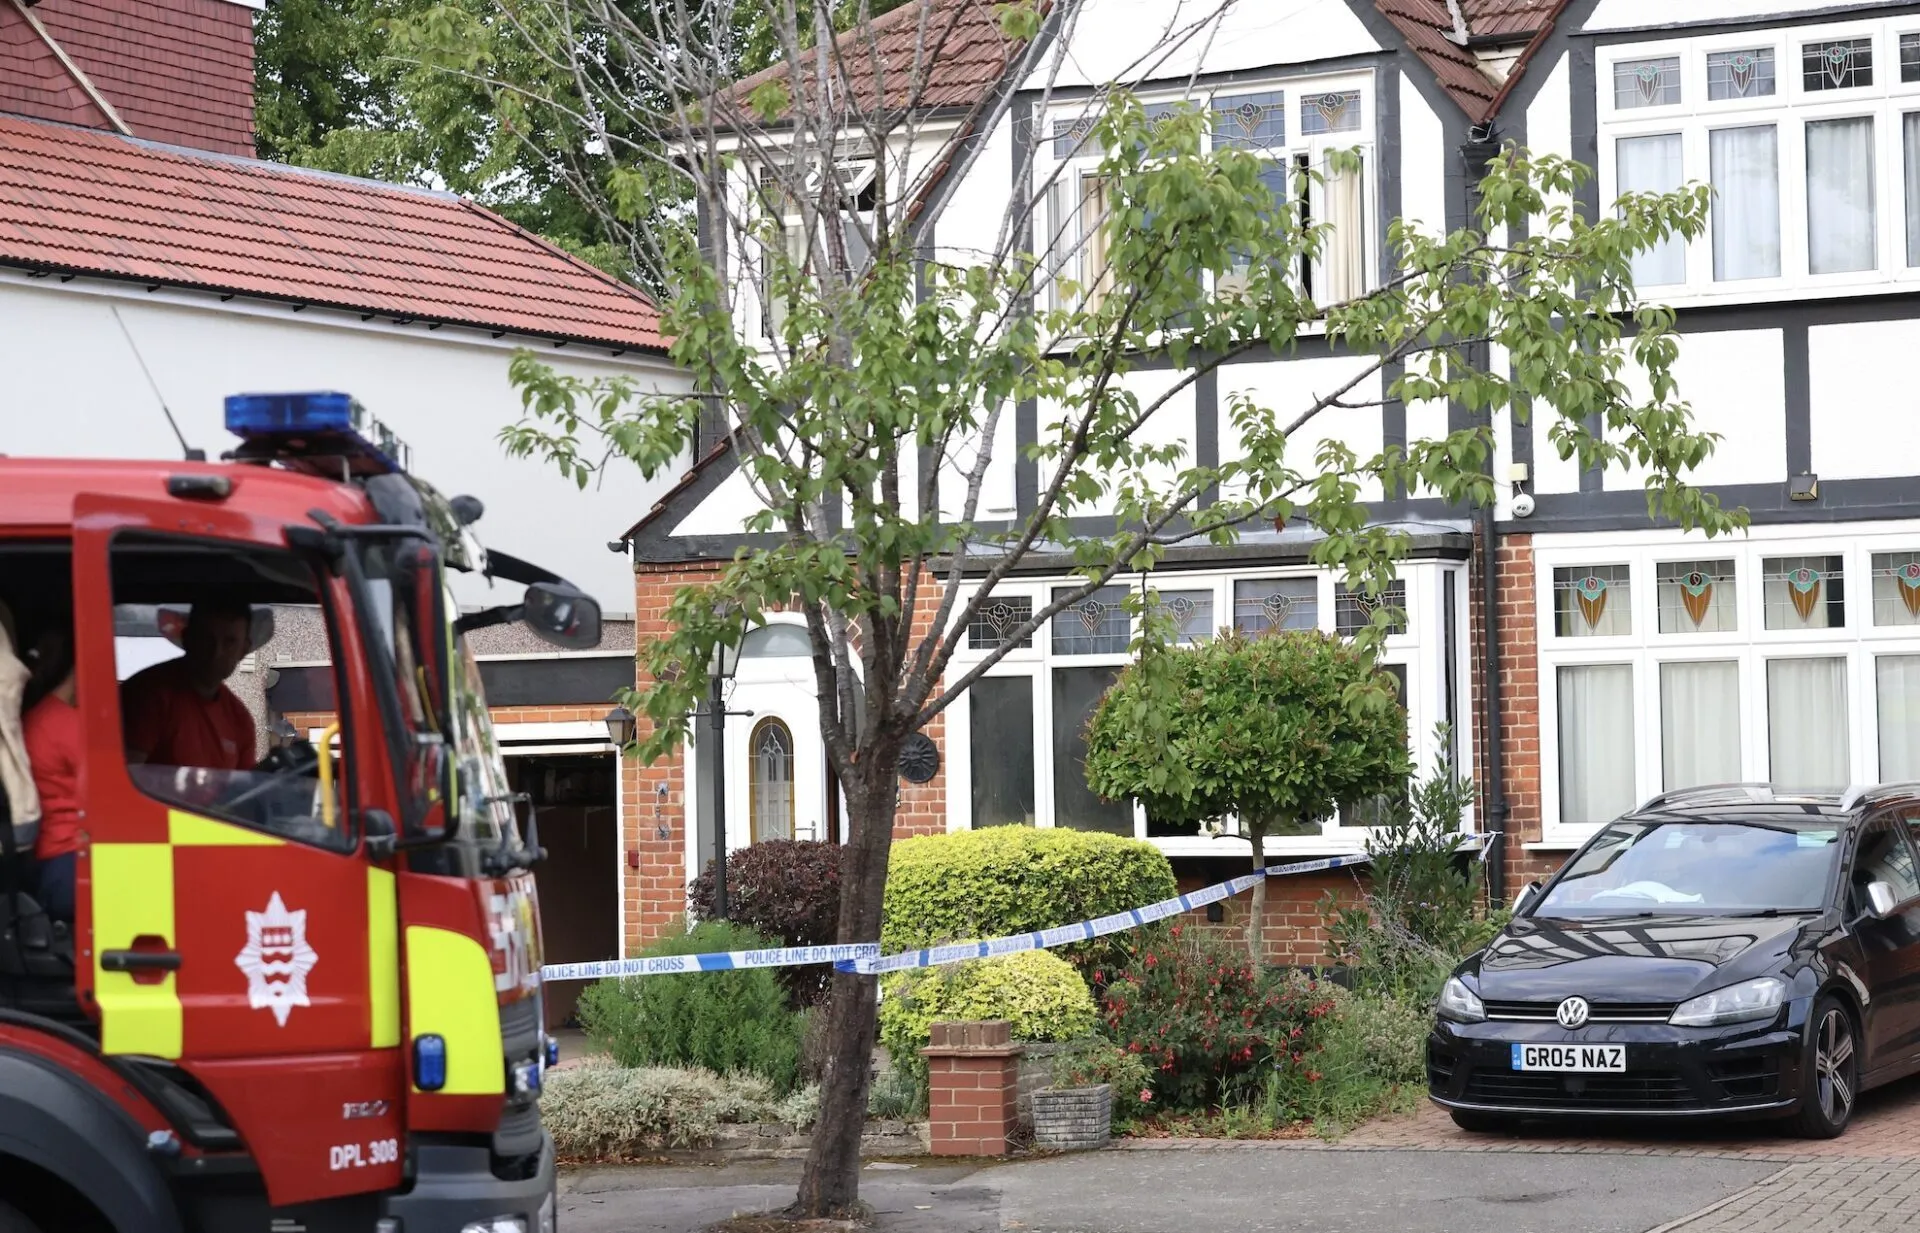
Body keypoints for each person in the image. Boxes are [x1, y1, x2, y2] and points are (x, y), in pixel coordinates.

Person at [123, 601, 258, 772]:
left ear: (244, 649)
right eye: (207, 639)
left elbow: (246, 789)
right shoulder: (149, 696)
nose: (217, 652)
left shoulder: (239, 718)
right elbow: (120, 780)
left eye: (229, 642)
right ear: (187, 639)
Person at [21, 642, 79, 921]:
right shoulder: (68, 725)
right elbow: (115, 798)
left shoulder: (39, 716)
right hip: (69, 861)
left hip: (47, 859)